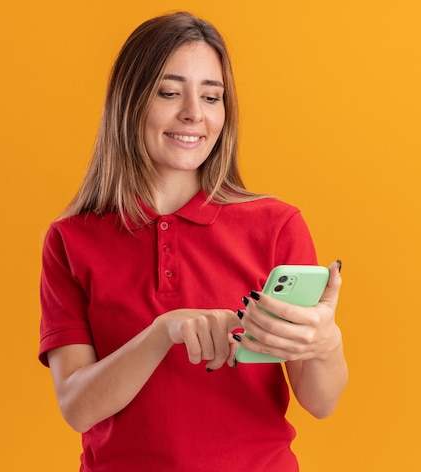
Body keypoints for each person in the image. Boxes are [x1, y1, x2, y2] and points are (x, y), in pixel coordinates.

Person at [38, 11, 348, 472]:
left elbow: (320, 402)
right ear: (129, 102)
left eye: (211, 96)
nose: (194, 114)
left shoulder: (277, 226)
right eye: (169, 92)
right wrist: (165, 331)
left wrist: (324, 344)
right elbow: (78, 407)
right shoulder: (71, 240)